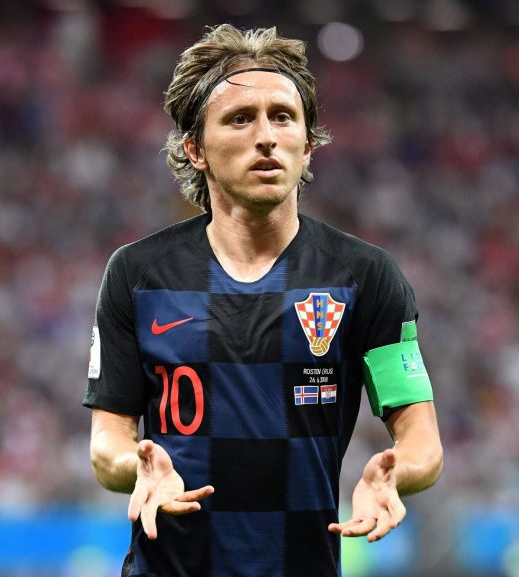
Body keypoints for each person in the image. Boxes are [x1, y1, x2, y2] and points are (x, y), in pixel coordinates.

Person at [83, 24, 443, 577]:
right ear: (195, 149)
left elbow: (422, 439)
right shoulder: (138, 275)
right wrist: (138, 465)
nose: (266, 136)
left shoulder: (365, 277)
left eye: (282, 116)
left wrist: (399, 472)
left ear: (308, 142)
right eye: (240, 119)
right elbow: (107, 443)